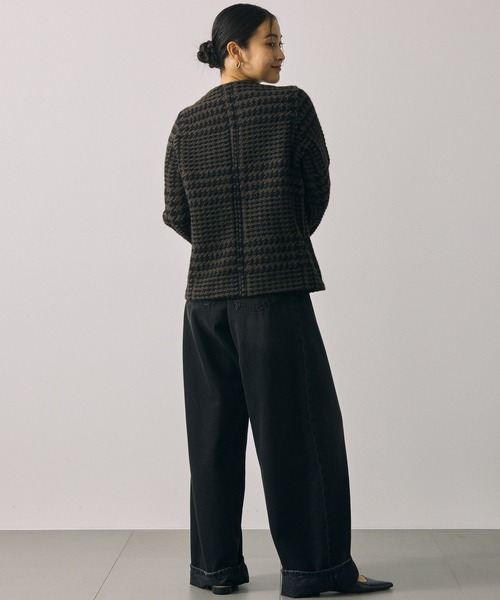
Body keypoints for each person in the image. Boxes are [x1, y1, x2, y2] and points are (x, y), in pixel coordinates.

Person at [163, 4, 394, 597]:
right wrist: (279, 238)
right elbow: (316, 188)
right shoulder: (290, 106)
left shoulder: (186, 123)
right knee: (300, 434)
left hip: (205, 304)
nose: (282, 53)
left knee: (212, 438)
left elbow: (176, 212)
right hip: (274, 296)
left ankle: (215, 569)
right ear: (234, 50)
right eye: (271, 42)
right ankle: (315, 570)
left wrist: (221, 243)